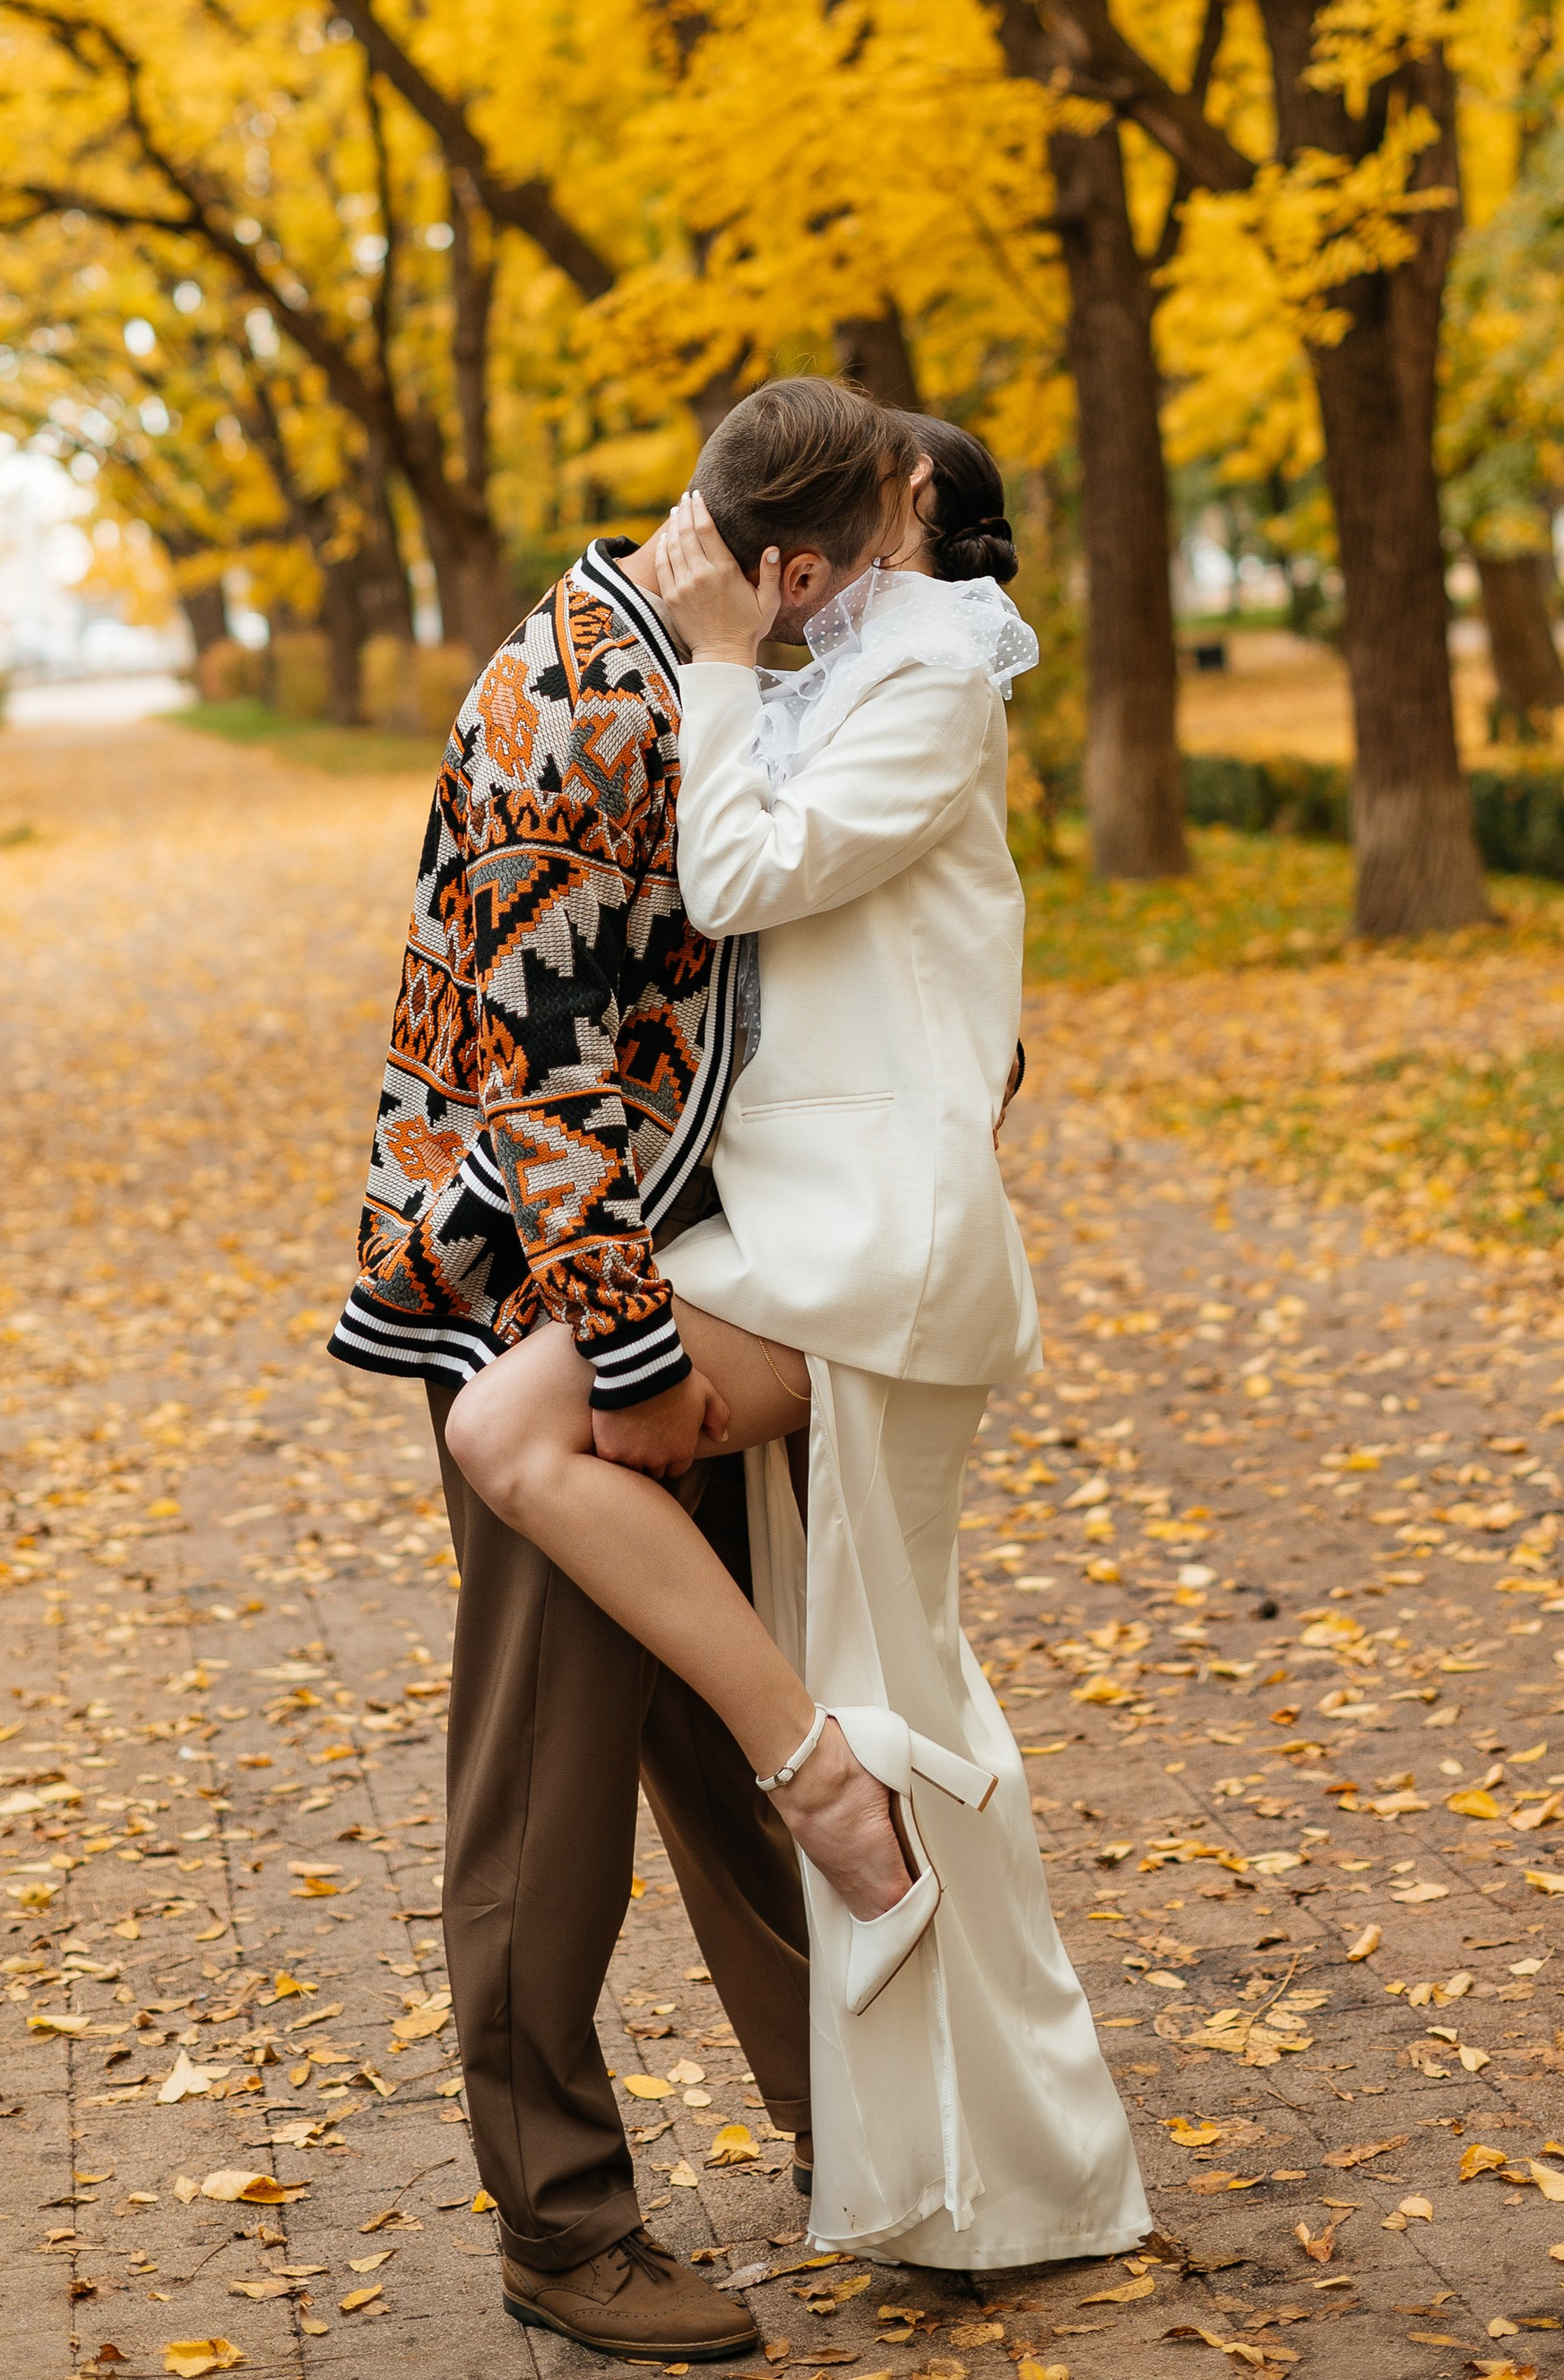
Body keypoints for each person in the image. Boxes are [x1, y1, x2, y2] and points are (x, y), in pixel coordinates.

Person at [447, 410, 1148, 2273]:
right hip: (778, 1230)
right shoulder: (820, 660)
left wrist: (730, 650)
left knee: (550, 1457)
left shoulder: (924, 681)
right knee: (893, 1661)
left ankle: (840, 1820)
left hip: (861, 1249)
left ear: (889, 527)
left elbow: (748, 884)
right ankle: (964, 2149)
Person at [328, 375, 914, 2364]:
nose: (860, 627)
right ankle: (561, 2228)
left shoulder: (682, 646)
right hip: (533, 1294)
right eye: (853, 591)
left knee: (726, 1726)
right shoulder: (578, 694)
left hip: (650, 1266)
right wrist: (636, 1356)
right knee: (545, 1791)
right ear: (785, 562)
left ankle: (858, 2119)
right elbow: (546, 1069)